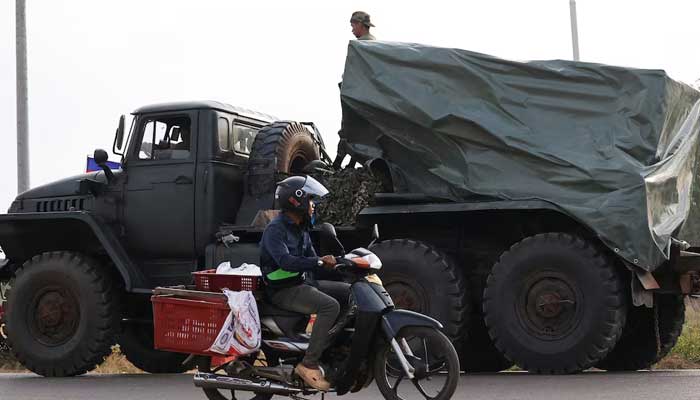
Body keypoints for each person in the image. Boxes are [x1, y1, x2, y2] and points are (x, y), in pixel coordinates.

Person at [259, 175, 350, 391]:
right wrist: (318, 261)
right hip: (282, 290)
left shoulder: (301, 229)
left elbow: (314, 261)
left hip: (301, 284)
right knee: (330, 306)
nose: (312, 206)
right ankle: (309, 363)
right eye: (310, 201)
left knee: (350, 293)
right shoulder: (276, 230)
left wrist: (342, 262)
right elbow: (287, 262)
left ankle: (332, 350)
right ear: (295, 201)